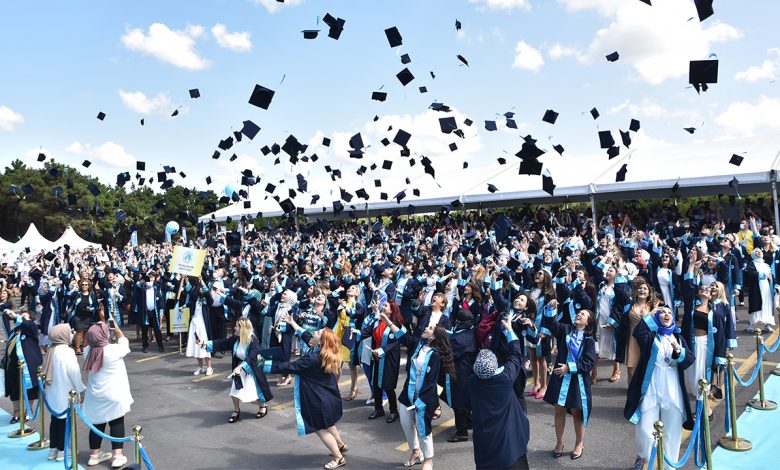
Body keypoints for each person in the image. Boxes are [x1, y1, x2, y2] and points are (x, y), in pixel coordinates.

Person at [262, 316, 348, 470]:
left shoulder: (313, 359)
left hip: (318, 400)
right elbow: (306, 335)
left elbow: (289, 367)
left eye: (317, 332)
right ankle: (341, 445)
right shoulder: (322, 351)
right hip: (328, 398)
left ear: (320, 341)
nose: (313, 333)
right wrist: (292, 322)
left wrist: (264, 364)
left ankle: (338, 457)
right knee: (329, 424)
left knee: (319, 428)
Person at [624, 307, 694, 470]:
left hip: (672, 388)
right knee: (644, 426)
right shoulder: (650, 336)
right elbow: (638, 332)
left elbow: (689, 360)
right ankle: (646, 457)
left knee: (672, 430)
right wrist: (650, 313)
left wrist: (678, 349)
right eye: (662, 313)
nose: (667, 314)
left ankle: (670, 466)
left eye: (669, 312)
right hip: (652, 386)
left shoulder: (678, 337)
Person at [466, 314, 531, 470]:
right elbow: (515, 353)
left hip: (485, 444)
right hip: (509, 447)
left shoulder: (472, 382)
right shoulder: (505, 378)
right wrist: (509, 329)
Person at [542, 300, 596, 461]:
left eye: (584, 314)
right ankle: (559, 442)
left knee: (576, 411)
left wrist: (569, 368)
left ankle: (579, 443)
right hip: (560, 377)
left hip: (577, 381)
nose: (579, 314)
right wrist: (551, 308)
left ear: (588, 323)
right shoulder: (565, 329)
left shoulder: (589, 341)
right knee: (559, 409)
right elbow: (552, 325)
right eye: (579, 313)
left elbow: (588, 362)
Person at [397, 324, 455, 470]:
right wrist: (386, 319)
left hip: (424, 397)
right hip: (408, 394)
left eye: (429, 328)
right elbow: (403, 337)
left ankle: (428, 460)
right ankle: (416, 451)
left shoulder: (435, 355)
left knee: (424, 429)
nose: (424, 328)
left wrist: (423, 401)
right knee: (405, 423)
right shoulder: (418, 345)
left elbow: (431, 382)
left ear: (434, 336)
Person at [82, 320, 133, 468]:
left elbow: (94, 342)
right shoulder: (113, 350)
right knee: (116, 422)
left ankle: (94, 454)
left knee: (97, 424)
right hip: (114, 394)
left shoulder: (87, 351)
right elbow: (124, 341)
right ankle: (118, 455)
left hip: (95, 396)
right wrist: (116, 328)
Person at [201, 317, 272, 422]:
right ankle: (236, 410)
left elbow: (251, 357)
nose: (234, 328)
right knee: (234, 392)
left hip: (251, 370)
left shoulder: (253, 340)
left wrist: (241, 367)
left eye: (236, 326)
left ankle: (263, 406)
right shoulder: (236, 339)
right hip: (238, 370)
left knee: (251, 396)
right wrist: (205, 343)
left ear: (242, 328)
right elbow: (222, 343)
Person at [355, 299, 406, 423]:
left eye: (386, 306)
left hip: (389, 360)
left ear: (392, 310)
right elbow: (368, 331)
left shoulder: (396, 325)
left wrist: (381, 351)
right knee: (376, 384)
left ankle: (394, 411)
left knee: (388, 386)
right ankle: (378, 409)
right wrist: (357, 332)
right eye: (383, 305)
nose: (383, 307)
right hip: (376, 357)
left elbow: (394, 344)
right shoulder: (378, 321)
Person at [42, 324, 86, 462]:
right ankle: (63, 451)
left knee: (55, 422)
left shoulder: (51, 349)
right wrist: (81, 389)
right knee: (65, 423)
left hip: (53, 393)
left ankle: (53, 449)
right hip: (66, 393)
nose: (71, 334)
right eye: (69, 332)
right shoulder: (66, 352)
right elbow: (74, 374)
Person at [2, 307, 42, 424]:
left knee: (30, 390)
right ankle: (16, 413)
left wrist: (16, 316)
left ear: (30, 320)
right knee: (14, 391)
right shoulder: (14, 332)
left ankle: (28, 412)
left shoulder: (31, 329)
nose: (20, 318)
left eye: (24, 317)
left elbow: (28, 325)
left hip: (28, 367)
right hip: (14, 367)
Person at [445, 308, 478, 442]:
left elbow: (449, 355)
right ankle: (469, 422)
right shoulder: (472, 332)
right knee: (466, 400)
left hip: (460, 373)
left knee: (458, 402)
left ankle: (461, 432)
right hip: (470, 372)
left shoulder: (458, 339)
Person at [183, 277, 213, 376]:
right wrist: (185, 280)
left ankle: (209, 367)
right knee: (196, 345)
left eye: (202, 289)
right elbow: (190, 292)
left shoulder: (207, 300)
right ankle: (200, 367)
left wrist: (203, 283)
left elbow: (210, 298)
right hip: (194, 323)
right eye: (199, 289)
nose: (200, 290)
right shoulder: (195, 299)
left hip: (203, 325)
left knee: (204, 344)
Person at [744, 248, 777, 332]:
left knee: (767, 305)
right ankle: (751, 324)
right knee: (755, 305)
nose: (759, 253)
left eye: (760, 252)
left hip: (767, 288)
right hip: (756, 288)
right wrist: (763, 275)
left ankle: (767, 324)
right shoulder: (751, 264)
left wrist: (775, 286)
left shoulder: (766, 265)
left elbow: (771, 276)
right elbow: (750, 274)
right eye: (757, 252)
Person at [68, 278, 99, 355]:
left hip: (88, 316)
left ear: (89, 286)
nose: (84, 286)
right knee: (79, 331)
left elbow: (95, 306)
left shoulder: (92, 296)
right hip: (78, 316)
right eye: (82, 285)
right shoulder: (77, 294)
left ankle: (84, 347)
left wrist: (91, 309)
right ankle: (77, 348)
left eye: (86, 285)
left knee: (86, 332)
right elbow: (69, 300)